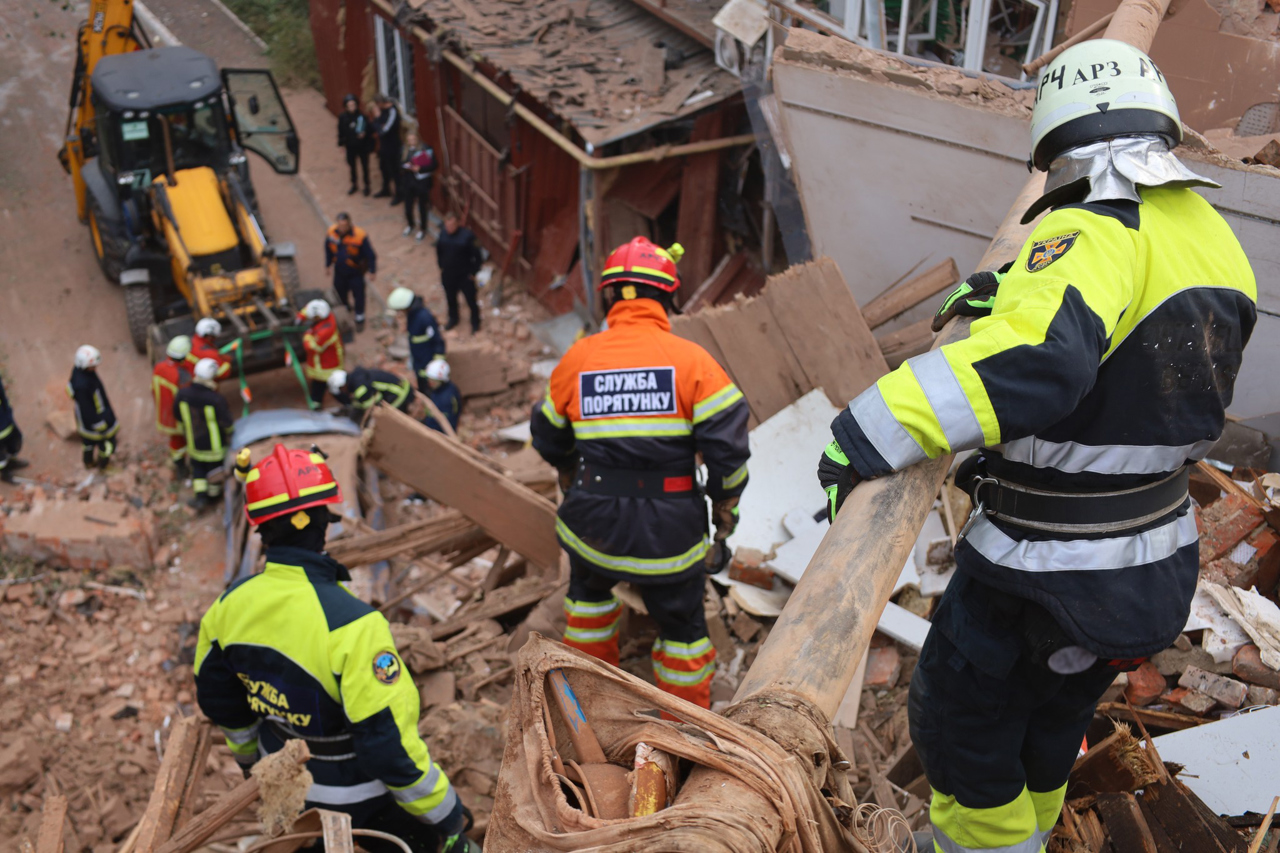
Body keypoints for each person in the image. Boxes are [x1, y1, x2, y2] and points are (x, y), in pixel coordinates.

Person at [816, 41, 1257, 853]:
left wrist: (866, 430)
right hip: (1146, 563)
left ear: (1056, 142)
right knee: (1049, 718)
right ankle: (1030, 834)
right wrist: (1020, 290)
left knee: (964, 723)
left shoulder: (1098, 226)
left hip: (1047, 566)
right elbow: (1134, 347)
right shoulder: (1210, 234)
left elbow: (1040, 363)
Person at [194, 443, 474, 853]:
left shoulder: (226, 609)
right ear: (322, 520)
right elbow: (388, 748)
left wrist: (254, 767)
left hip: (284, 797)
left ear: (261, 528)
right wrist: (448, 818)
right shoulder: (355, 625)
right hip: (359, 806)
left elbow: (223, 705)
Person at [530, 237, 750, 709]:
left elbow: (547, 435)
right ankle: (683, 726)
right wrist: (724, 517)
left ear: (610, 295)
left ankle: (589, 707)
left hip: (593, 526)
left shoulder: (579, 357)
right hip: (670, 535)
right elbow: (728, 457)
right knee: (684, 634)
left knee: (588, 604)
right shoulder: (695, 363)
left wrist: (570, 472)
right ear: (669, 296)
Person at [174, 358, 234, 511]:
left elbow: (177, 415)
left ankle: (200, 497)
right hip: (215, 447)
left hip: (194, 444)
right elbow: (227, 423)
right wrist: (230, 434)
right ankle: (214, 497)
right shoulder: (215, 399)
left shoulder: (182, 395)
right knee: (214, 472)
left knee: (198, 470)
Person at [67, 345, 118, 470]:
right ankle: (103, 466)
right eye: (92, 366)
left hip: (85, 422)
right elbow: (88, 410)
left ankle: (88, 462)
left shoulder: (79, 372)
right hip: (95, 420)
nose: (95, 368)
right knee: (107, 444)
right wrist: (100, 424)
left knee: (88, 443)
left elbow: (70, 391)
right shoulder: (83, 385)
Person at [324, 212, 376, 331]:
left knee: (359, 295)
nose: (342, 228)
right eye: (340, 225)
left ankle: (359, 317)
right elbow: (328, 249)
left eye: (344, 226)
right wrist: (327, 265)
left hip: (355, 272)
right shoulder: (332, 233)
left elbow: (371, 255)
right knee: (339, 293)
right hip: (339, 271)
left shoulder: (359, 236)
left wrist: (372, 271)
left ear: (349, 224)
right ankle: (345, 309)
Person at [387, 287, 445, 393]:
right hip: (419, 359)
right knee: (422, 383)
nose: (400, 312)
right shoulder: (412, 315)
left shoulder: (424, 317)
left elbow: (437, 339)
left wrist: (437, 361)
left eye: (400, 309)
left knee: (430, 389)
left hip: (427, 360)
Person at [435, 213, 484, 333]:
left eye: (452, 225)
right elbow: (439, 251)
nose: (449, 228)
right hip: (448, 274)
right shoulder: (443, 234)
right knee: (450, 298)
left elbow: (478, 256)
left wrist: (473, 272)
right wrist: (441, 266)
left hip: (465, 275)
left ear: (457, 223)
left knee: (471, 300)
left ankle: (475, 322)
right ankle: (453, 318)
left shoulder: (468, 236)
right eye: (447, 225)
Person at [153, 335, 194, 477]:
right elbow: (188, 397)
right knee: (184, 441)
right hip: (179, 417)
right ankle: (184, 467)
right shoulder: (181, 375)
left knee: (175, 442)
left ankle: (179, 465)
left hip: (164, 413)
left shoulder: (159, 368)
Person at [299, 299, 345, 407]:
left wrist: (307, 334)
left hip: (329, 365)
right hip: (321, 364)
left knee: (334, 387)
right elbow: (308, 310)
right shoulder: (325, 314)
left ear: (319, 317)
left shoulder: (326, 331)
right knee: (317, 385)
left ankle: (348, 404)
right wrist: (300, 316)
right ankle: (316, 403)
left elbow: (312, 347)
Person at [328, 366, 414, 418]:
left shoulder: (360, 390)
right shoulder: (357, 376)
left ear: (343, 386)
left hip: (400, 395)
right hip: (404, 387)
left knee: (382, 418)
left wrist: (355, 404)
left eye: (341, 390)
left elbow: (371, 405)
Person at [401, 131, 437, 243]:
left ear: (418, 139)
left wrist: (420, 168)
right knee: (408, 207)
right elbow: (400, 163)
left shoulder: (426, 149)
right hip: (409, 182)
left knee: (422, 207)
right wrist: (406, 166)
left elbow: (434, 165)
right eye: (409, 140)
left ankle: (422, 229)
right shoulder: (404, 149)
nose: (411, 142)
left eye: (413, 139)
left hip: (422, 183)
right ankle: (410, 225)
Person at [338, 93, 373, 196]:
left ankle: (366, 185)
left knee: (365, 166)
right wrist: (341, 144)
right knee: (352, 166)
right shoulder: (343, 117)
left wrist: (365, 133)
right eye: (349, 105)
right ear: (346, 106)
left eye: (353, 105)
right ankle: (354, 184)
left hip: (362, 146)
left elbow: (370, 130)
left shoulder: (362, 117)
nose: (352, 107)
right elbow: (340, 131)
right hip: (350, 146)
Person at [372, 94, 402, 203]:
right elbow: (376, 127)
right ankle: (386, 190)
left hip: (393, 147)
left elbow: (383, 131)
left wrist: (377, 118)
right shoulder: (382, 112)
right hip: (384, 146)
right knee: (383, 168)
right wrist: (378, 122)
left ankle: (399, 194)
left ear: (381, 103)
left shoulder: (392, 112)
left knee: (394, 170)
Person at [0, 373, 29, 483]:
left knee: (13, 440)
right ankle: (5, 473)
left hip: (4, 418)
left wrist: (8, 411)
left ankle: (11, 461)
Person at [421, 360, 460, 434]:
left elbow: (443, 423)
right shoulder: (438, 388)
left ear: (442, 380)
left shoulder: (446, 399)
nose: (429, 382)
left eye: (433, 380)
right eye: (429, 378)